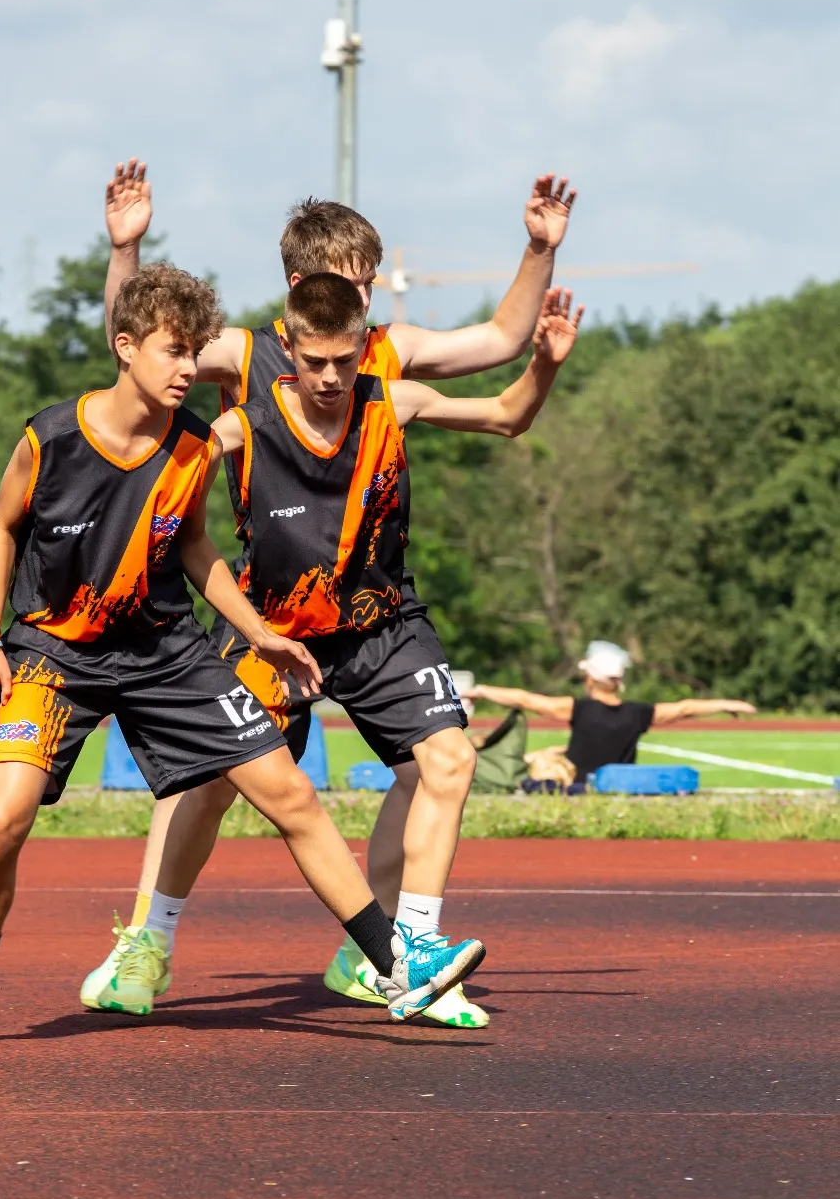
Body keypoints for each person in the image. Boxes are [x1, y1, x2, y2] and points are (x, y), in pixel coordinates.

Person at [0, 264, 483, 1045]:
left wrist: (260, 633)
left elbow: (196, 548)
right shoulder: (51, 437)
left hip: (164, 652)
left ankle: (397, 967)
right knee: (1, 820)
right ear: (125, 348)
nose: (188, 368)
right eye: (173, 351)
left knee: (291, 795)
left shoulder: (193, 447)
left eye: (194, 352)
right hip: (53, 653)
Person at [81, 157, 577, 1026]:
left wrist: (538, 251)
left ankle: (397, 949)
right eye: (348, 286)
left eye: (369, 285)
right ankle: (147, 943)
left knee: (441, 761)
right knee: (210, 783)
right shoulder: (245, 358)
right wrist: (127, 250)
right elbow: (138, 343)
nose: (361, 303)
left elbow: (502, 348)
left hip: (378, 617)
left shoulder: (389, 356)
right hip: (273, 621)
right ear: (299, 291)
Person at [466, 639, 756, 784]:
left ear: (590, 680)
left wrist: (482, 690)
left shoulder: (577, 708)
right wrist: (724, 704)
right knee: (552, 751)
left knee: (536, 758)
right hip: (618, 784)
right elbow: (685, 708)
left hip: (577, 782)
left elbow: (525, 699)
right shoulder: (638, 713)